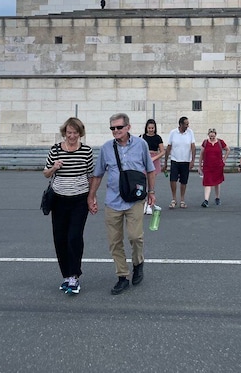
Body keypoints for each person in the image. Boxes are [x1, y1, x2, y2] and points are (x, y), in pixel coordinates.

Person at [88, 113, 156, 295]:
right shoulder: (106, 149)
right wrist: (91, 197)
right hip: (113, 201)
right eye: (112, 128)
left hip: (135, 199)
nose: (115, 131)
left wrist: (151, 192)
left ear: (128, 127)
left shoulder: (141, 145)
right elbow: (98, 174)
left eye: (119, 127)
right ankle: (122, 276)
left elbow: (150, 170)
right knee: (115, 241)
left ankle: (138, 263)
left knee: (135, 236)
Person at [43, 117, 95, 295]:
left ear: (80, 134)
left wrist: (91, 198)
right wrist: (54, 168)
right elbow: (45, 173)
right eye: (69, 132)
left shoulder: (86, 151)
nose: (72, 136)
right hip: (59, 200)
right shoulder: (55, 150)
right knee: (60, 238)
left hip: (79, 200)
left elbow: (91, 176)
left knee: (74, 237)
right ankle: (66, 275)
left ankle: (74, 276)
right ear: (64, 133)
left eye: (75, 133)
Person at [164, 116, 195, 209]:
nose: (187, 126)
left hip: (186, 160)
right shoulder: (173, 133)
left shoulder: (190, 132)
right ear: (181, 124)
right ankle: (174, 199)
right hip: (175, 160)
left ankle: (182, 200)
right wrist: (165, 161)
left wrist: (192, 160)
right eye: (186, 124)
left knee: (183, 181)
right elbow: (169, 147)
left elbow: (193, 146)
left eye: (188, 124)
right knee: (173, 179)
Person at [198, 128, 230, 207]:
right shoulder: (205, 143)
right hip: (207, 166)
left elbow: (228, 149)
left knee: (217, 182)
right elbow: (201, 155)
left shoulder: (220, 142)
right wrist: (199, 166)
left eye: (213, 136)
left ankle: (217, 198)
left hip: (218, 166)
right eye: (210, 136)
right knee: (207, 182)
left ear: (215, 134)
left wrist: (224, 159)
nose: (212, 137)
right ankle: (206, 200)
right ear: (208, 135)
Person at [141, 118, 165, 215]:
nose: (151, 129)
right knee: (143, 184)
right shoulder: (142, 137)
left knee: (151, 184)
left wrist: (155, 158)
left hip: (154, 160)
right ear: (146, 128)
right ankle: (143, 203)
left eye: (152, 128)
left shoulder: (158, 138)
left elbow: (163, 151)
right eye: (149, 128)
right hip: (144, 160)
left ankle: (150, 204)